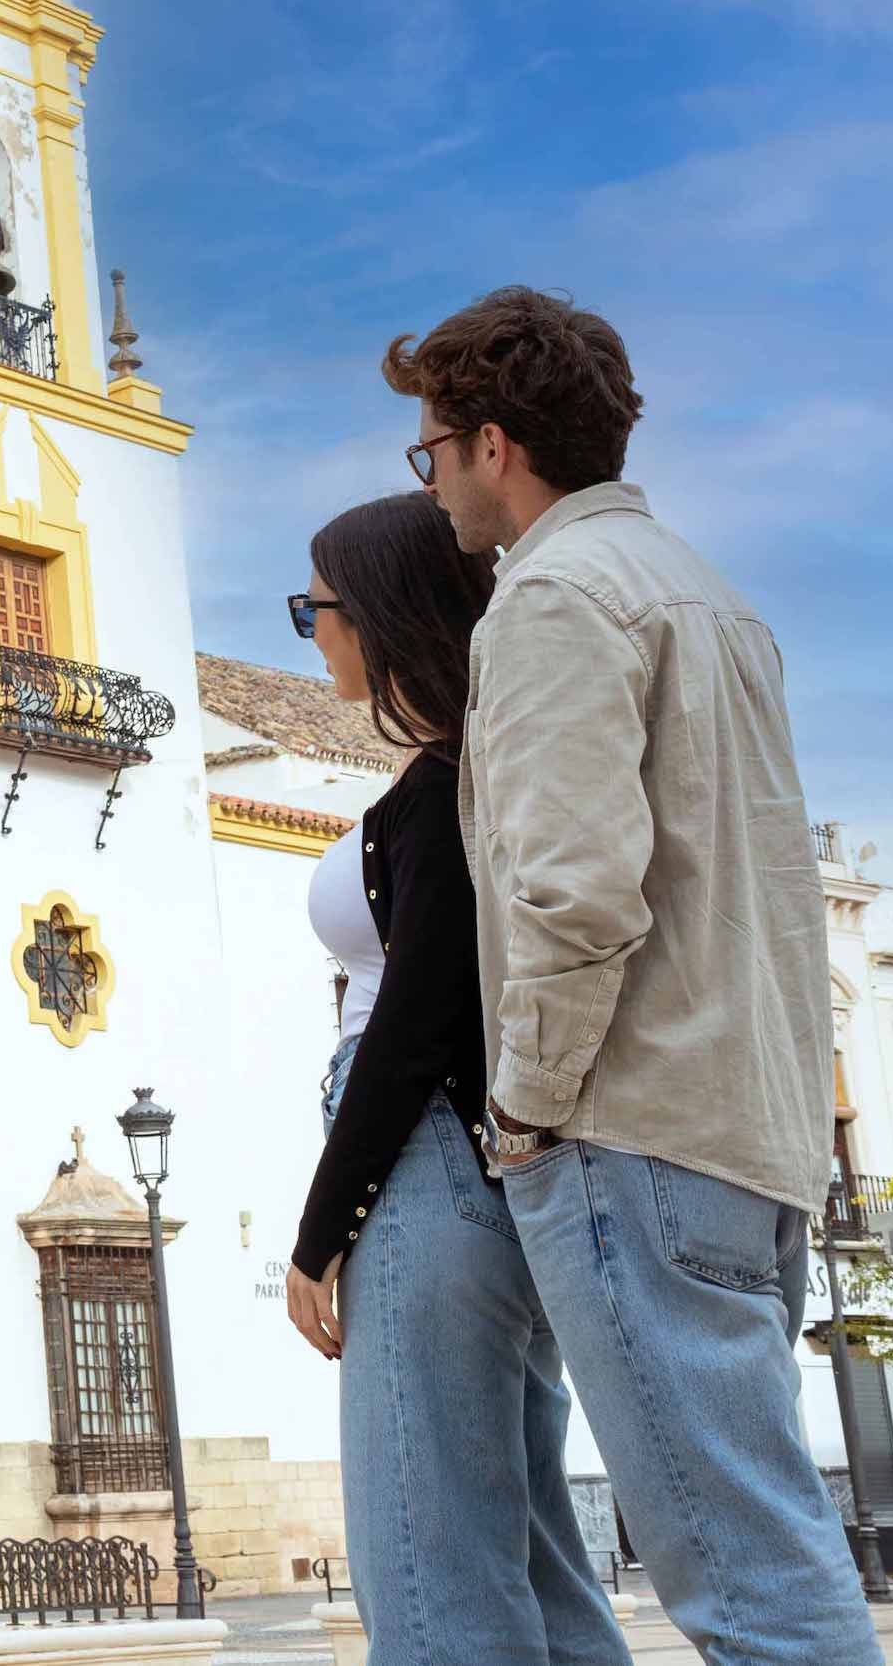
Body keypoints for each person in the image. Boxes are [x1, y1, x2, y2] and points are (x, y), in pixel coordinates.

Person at [387, 287, 881, 1664]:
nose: (430, 486)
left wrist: (526, 1109)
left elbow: (575, 889)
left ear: (493, 445)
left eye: (432, 452)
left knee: (744, 1586)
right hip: (750, 1136)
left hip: (633, 1133)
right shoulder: (713, 599)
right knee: (769, 1549)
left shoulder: (551, 599)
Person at [282, 493, 630, 1665]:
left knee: (424, 1549)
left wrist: (321, 1231)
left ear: (376, 614)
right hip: (482, 1163)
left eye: (315, 611)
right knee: (527, 1544)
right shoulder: (470, 768)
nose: (313, 636)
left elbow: (414, 1022)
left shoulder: (444, 783)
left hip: (422, 1157)